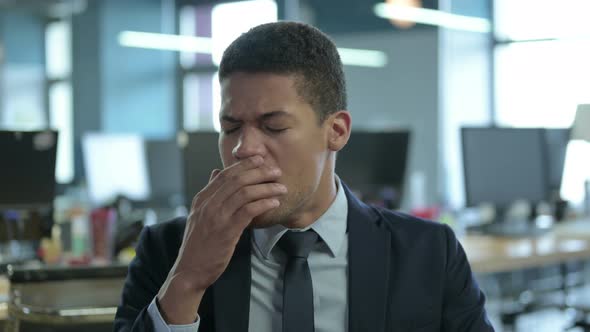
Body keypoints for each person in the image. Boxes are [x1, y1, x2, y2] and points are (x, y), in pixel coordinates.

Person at [114, 21, 494, 332]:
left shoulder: (427, 253)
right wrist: (188, 279)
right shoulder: (170, 251)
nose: (243, 148)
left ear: (337, 131)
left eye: (273, 126)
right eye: (230, 127)